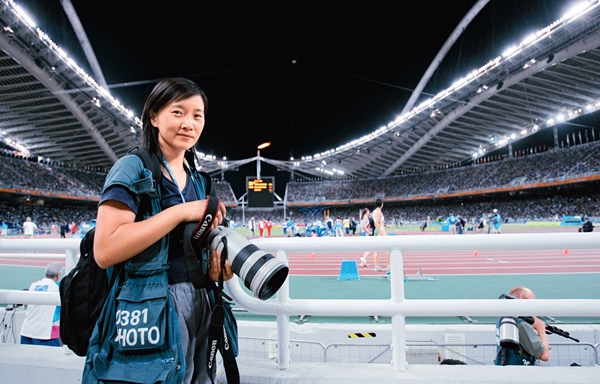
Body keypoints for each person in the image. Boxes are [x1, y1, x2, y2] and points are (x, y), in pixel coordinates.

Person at [91, 78, 231, 384]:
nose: (189, 123)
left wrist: (217, 266)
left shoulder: (200, 181)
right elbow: (104, 251)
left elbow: (194, 247)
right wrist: (179, 212)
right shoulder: (133, 168)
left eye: (197, 115)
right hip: (149, 302)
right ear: (154, 116)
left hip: (200, 299)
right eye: (178, 112)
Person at [494, 286, 550, 366]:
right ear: (522, 299)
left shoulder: (502, 319)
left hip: (505, 365)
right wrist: (541, 329)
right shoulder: (521, 324)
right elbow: (544, 356)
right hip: (521, 370)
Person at [20, 262, 62, 347]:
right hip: (45, 334)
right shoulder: (57, 287)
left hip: (27, 331)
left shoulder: (33, 285)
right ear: (58, 275)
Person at [372, 198, 390, 272]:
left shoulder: (374, 211)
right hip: (380, 230)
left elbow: (378, 222)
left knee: (377, 249)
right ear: (381, 204)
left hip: (378, 229)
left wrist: (386, 226)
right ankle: (389, 266)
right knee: (389, 247)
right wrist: (380, 232)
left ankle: (376, 266)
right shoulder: (379, 211)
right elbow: (376, 223)